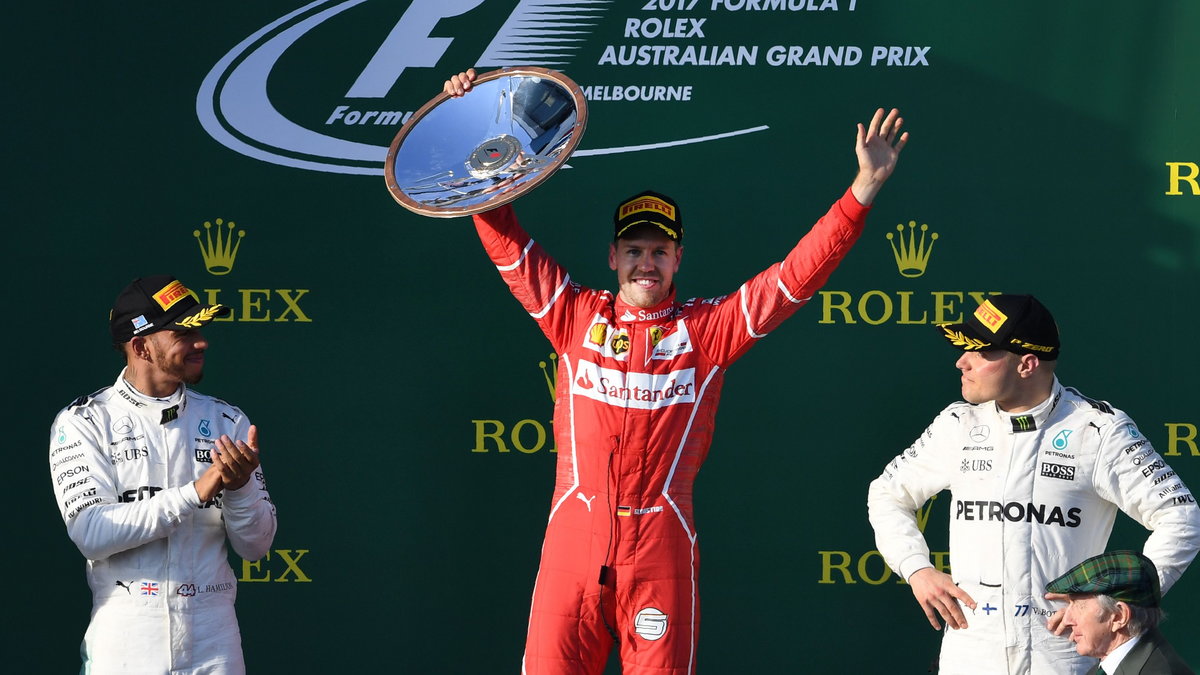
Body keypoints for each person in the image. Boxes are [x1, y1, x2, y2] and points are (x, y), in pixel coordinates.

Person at [446, 68, 909, 674]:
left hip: (660, 552)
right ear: (613, 257)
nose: (646, 263)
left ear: (678, 258)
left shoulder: (708, 331)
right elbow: (503, 235)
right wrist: (472, 123)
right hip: (570, 547)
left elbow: (794, 278)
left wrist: (863, 189)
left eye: (659, 251)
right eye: (634, 250)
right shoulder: (574, 315)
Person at [867, 294, 1200, 674]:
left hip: (1060, 660)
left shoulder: (1098, 431)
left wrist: (1113, 604)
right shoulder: (956, 426)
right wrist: (916, 569)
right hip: (968, 657)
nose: (962, 362)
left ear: (1027, 363)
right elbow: (887, 494)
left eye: (980, 352)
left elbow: (1181, 517)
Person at [49, 275, 277, 674]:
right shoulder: (84, 421)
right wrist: (194, 492)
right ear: (140, 346)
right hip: (127, 640)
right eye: (184, 333)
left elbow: (256, 546)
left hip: (216, 639)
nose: (201, 342)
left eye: (200, 330)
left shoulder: (227, 420)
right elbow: (91, 533)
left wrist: (239, 489)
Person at [1046, 550, 1194, 675]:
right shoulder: (1107, 667)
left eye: (1079, 606)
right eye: (1069, 604)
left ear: (1119, 616)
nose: (1067, 620)